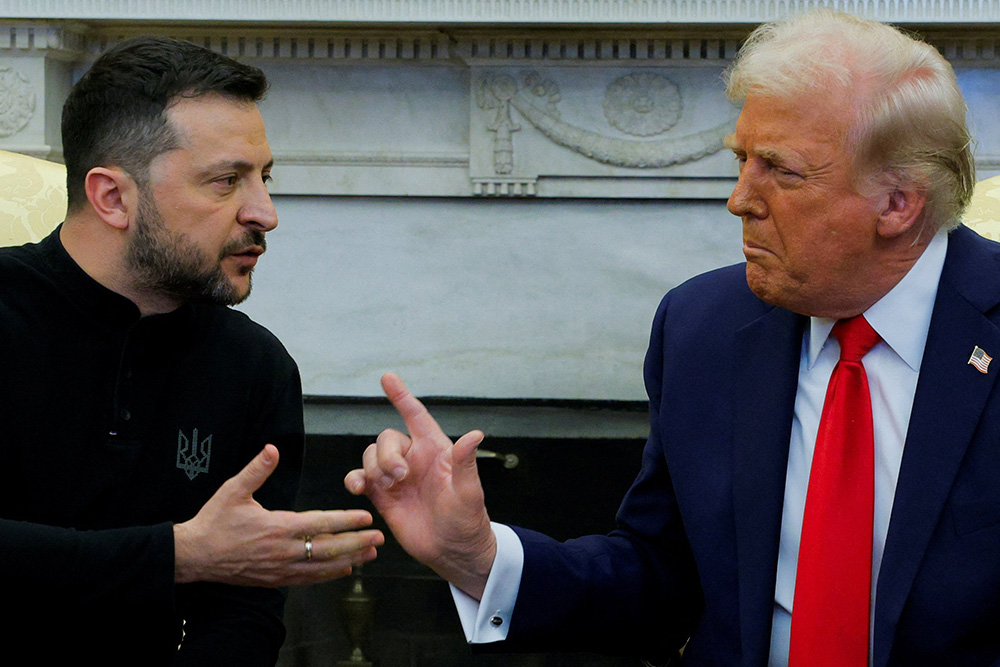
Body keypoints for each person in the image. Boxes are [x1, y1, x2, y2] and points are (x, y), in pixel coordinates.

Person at [345, 10, 999, 667]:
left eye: (781, 170)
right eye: (743, 159)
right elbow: (662, 577)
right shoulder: (704, 326)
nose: (740, 198)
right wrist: (480, 557)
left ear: (896, 203)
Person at [0, 37, 384, 665]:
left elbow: (245, 612)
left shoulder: (256, 367)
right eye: (226, 181)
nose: (265, 212)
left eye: (264, 178)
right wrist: (177, 556)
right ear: (113, 197)